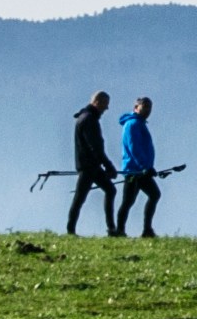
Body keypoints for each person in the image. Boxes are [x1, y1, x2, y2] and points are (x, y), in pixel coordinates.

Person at [64, 90, 116, 236]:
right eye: (105, 104)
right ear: (97, 102)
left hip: (91, 165)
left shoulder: (86, 117)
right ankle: (70, 230)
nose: (107, 108)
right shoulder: (89, 119)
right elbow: (95, 146)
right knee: (80, 198)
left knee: (110, 190)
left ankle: (112, 229)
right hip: (88, 166)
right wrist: (109, 166)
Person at [114, 95, 163, 237]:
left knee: (153, 195)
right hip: (134, 171)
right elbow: (133, 147)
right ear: (136, 108)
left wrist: (148, 167)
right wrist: (144, 167)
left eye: (149, 107)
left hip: (142, 170)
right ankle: (120, 230)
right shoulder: (133, 124)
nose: (148, 110)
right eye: (144, 106)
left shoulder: (140, 124)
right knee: (129, 201)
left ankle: (146, 229)